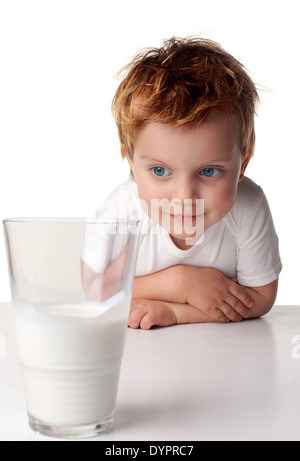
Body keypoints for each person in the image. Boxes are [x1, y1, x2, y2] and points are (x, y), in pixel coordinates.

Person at [82, 36, 282, 329]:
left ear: (244, 162)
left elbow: (262, 296)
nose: (185, 196)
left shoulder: (248, 205)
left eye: (210, 171)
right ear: (130, 162)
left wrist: (177, 313)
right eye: (161, 171)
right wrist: (179, 283)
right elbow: (91, 291)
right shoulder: (123, 210)